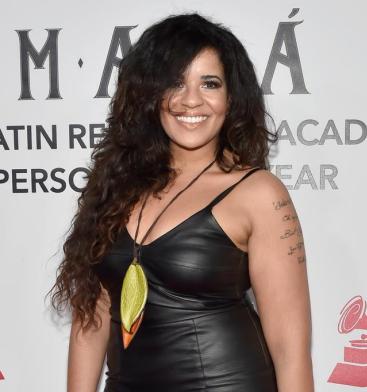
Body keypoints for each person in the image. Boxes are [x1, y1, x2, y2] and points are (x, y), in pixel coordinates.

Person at [48, 12, 314, 392]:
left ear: (231, 97)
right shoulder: (113, 187)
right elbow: (91, 318)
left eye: (210, 83)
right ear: (148, 94)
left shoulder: (258, 193)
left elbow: (290, 349)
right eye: (175, 82)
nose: (191, 100)